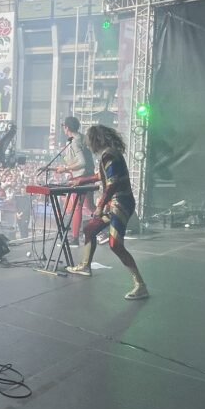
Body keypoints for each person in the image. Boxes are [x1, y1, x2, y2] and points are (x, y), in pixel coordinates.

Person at [67, 124, 148, 299]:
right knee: (90, 229)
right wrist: (82, 180)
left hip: (120, 204)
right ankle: (85, 266)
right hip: (115, 203)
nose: (88, 144)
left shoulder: (109, 155)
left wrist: (99, 207)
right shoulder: (109, 154)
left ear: (95, 140)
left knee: (115, 244)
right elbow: (101, 176)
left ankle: (140, 285)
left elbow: (111, 184)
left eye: (89, 141)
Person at [54, 115, 95, 244]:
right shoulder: (82, 138)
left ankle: (75, 237)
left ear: (66, 127)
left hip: (81, 178)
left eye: (63, 126)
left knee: (77, 207)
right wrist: (65, 168)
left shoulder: (75, 142)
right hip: (89, 175)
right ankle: (108, 225)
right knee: (90, 205)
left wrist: (65, 168)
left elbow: (82, 162)